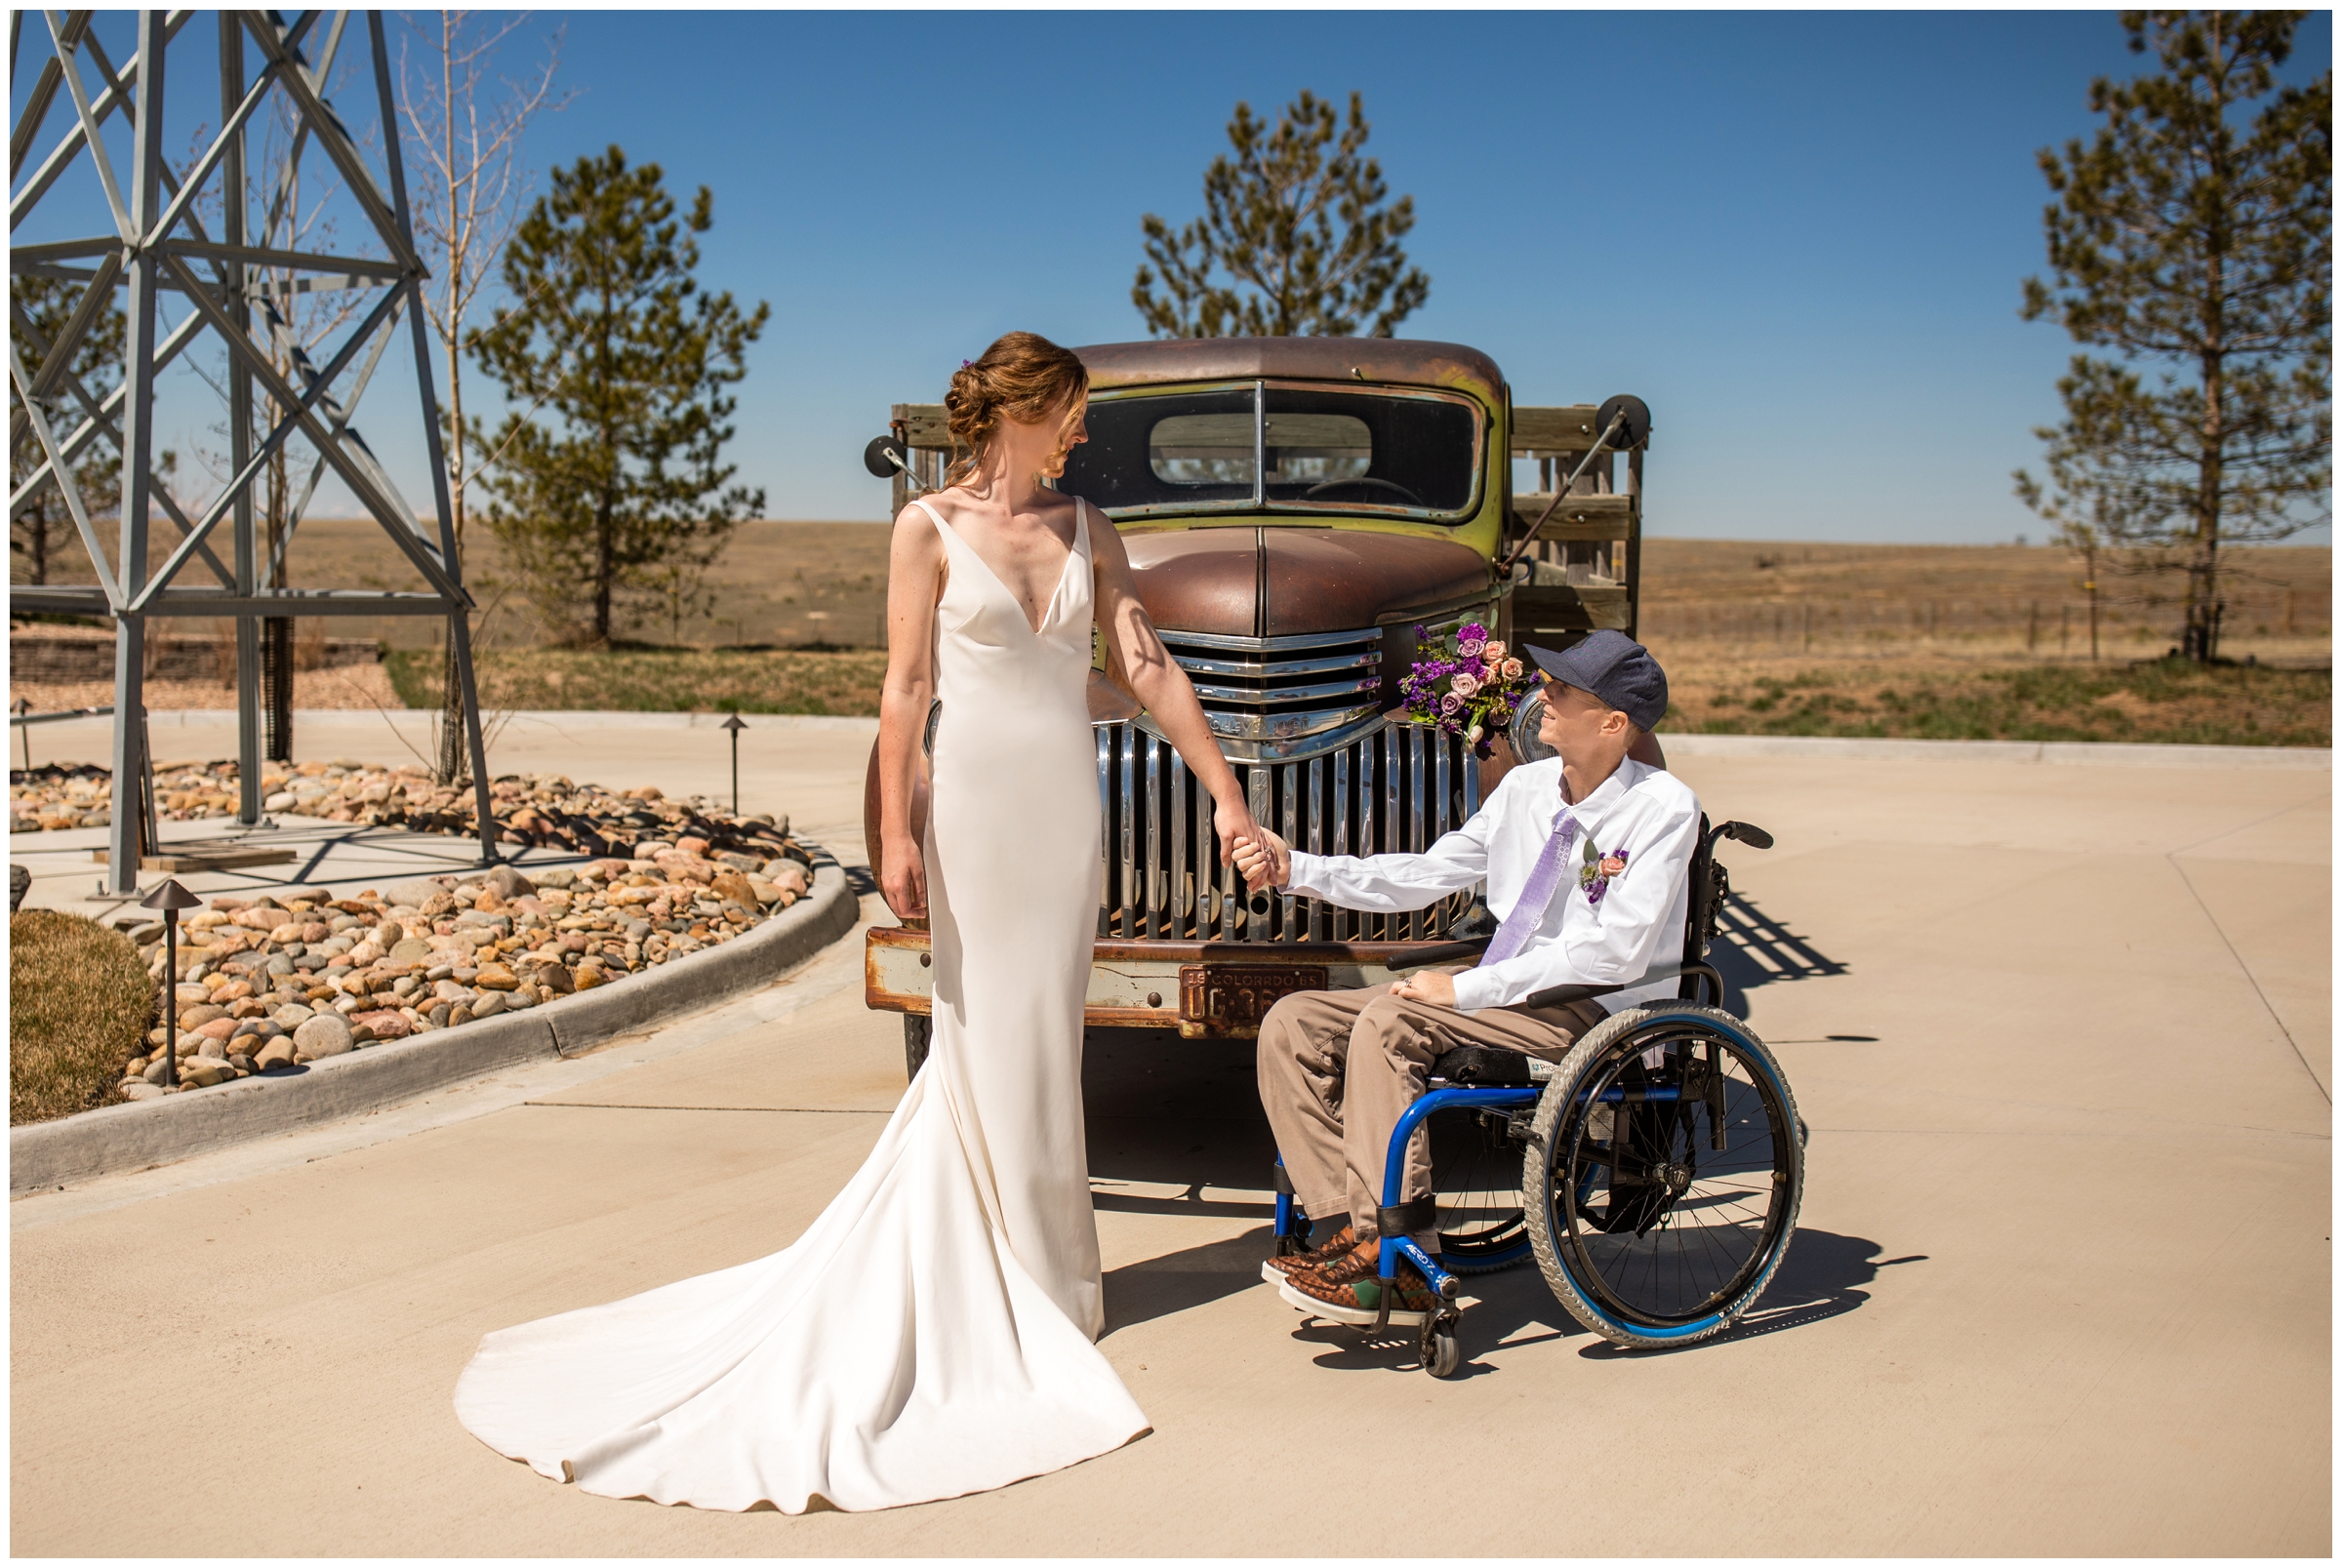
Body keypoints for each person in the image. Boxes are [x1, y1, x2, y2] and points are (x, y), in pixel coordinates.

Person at [455, 332, 1268, 1512]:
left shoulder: (1090, 525)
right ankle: (999, 1282)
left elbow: (1142, 664)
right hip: (976, 805)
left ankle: (1048, 1279)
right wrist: (894, 826)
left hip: (1064, 811)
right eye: (1071, 413)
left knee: (1046, 1030)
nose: (1083, 433)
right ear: (1019, 410)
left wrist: (1225, 789)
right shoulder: (926, 527)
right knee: (979, 1029)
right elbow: (904, 689)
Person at [1232, 631, 1699, 1329]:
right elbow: (1426, 872)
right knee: (1293, 1021)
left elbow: (1615, 953)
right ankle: (1347, 1235)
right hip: (1501, 987)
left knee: (1392, 1024)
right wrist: (1296, 868)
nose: (1544, 693)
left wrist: (1465, 989)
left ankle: (1404, 1256)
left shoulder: (1663, 808)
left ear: (1614, 723)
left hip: (1585, 1006)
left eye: (1564, 690)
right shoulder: (1526, 787)